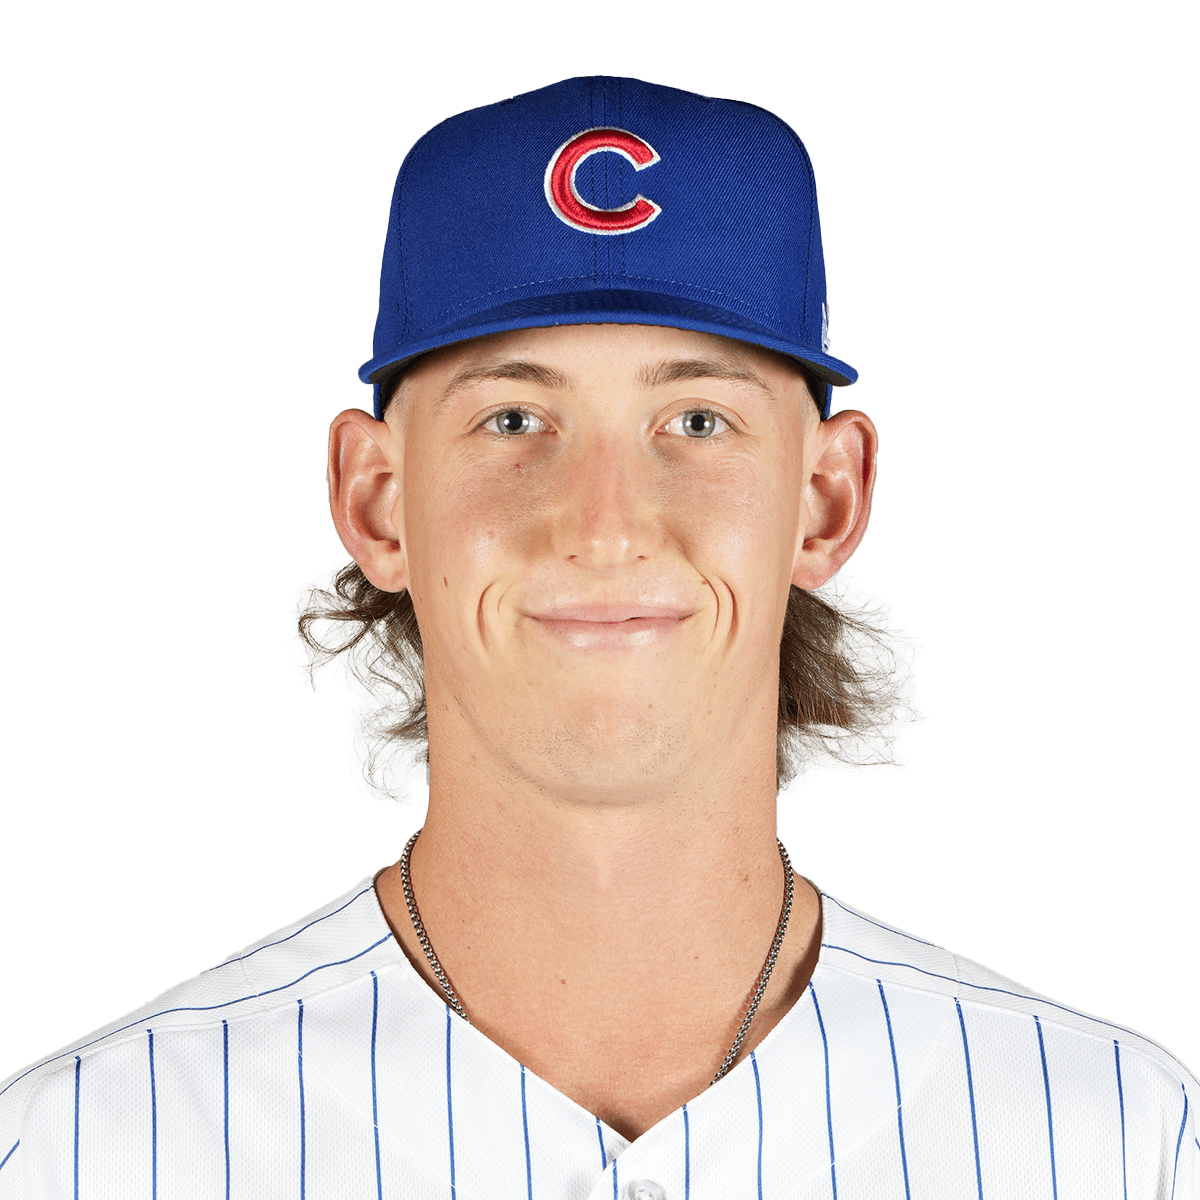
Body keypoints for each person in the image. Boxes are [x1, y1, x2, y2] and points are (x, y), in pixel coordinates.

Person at [1, 75, 1194, 1200]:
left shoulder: (1118, 1142)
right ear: (378, 502)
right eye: (515, 419)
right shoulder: (85, 1151)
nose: (607, 527)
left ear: (826, 500)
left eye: (699, 420)